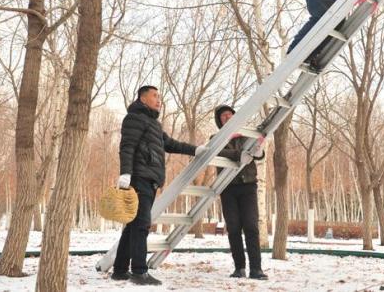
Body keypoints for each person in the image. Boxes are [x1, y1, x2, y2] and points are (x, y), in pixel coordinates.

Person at [112, 85, 206, 285]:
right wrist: (125, 173)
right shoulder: (134, 118)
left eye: (159, 96)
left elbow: (171, 144)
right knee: (141, 226)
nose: (158, 99)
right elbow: (127, 146)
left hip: (150, 179)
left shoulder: (153, 124)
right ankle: (139, 272)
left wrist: (195, 150)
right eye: (154, 96)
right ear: (143, 98)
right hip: (140, 177)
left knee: (133, 226)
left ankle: (120, 270)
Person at [212, 104, 268, 280]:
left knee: (251, 227)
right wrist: (240, 154)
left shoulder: (246, 136)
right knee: (234, 228)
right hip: (228, 188)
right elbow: (221, 151)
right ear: (219, 121)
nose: (228, 118)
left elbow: (258, 154)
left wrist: (257, 150)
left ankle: (256, 269)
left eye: (230, 115)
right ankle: (239, 268)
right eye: (224, 116)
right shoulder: (216, 138)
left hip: (248, 186)